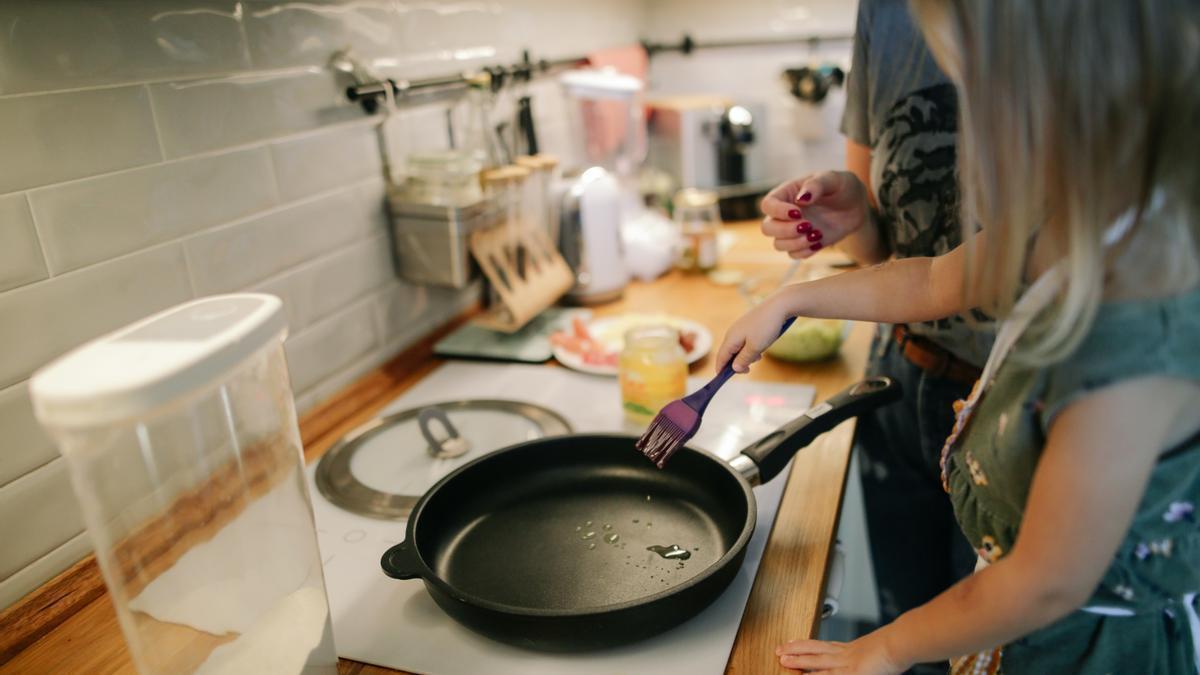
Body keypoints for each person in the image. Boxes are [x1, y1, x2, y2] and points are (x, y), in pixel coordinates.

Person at [721, 0, 1200, 672]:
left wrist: (886, 645)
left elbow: (1044, 581)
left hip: (1083, 649)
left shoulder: (1133, 334)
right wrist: (793, 299)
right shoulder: (1080, 221)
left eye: (981, 92)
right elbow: (932, 282)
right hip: (1017, 625)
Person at [760, 0, 979, 654]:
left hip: (1023, 403)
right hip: (900, 382)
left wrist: (794, 301)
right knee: (908, 628)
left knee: (982, 644)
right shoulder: (886, 12)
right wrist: (854, 214)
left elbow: (1044, 582)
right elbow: (912, 265)